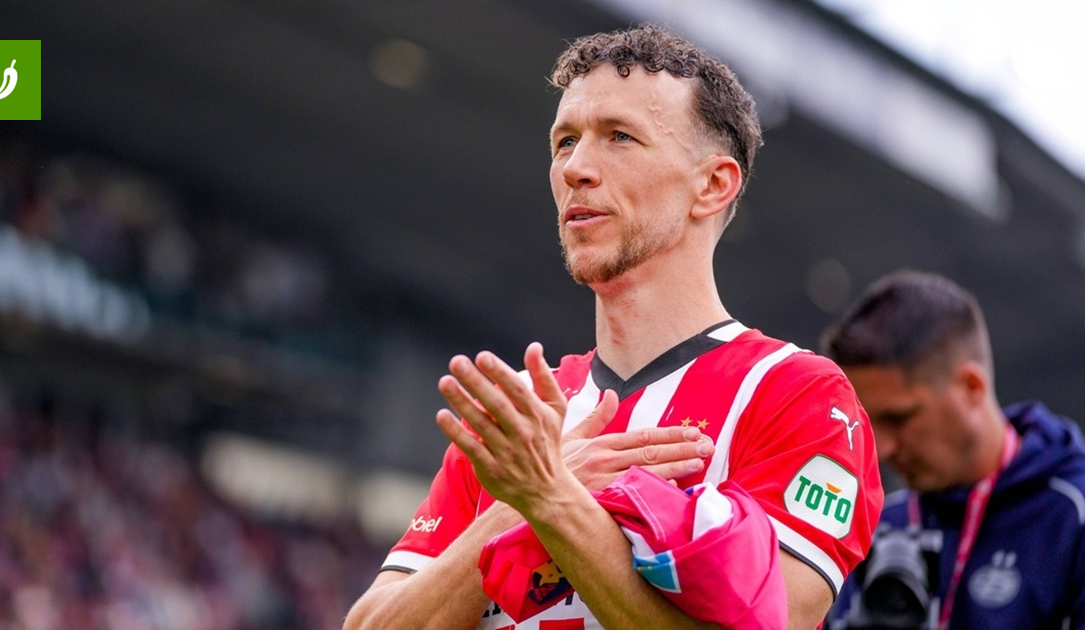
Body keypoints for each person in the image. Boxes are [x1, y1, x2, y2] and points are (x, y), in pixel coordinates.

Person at [344, 24, 883, 630]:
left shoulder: (797, 396)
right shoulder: (516, 421)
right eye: (565, 142)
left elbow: (776, 621)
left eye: (619, 137)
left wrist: (552, 500)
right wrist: (516, 506)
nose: (576, 167)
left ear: (712, 185)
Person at [821, 270, 1085, 629]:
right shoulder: (876, 526)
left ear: (971, 387)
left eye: (900, 418)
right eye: (868, 423)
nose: (881, 449)